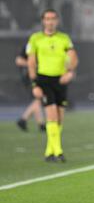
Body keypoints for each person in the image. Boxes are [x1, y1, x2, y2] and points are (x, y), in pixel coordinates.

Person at [27, 9, 78, 162]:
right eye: (47, 18)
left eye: (53, 18)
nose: (50, 21)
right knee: (52, 114)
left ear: (57, 21)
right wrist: (34, 84)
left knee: (60, 118)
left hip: (60, 81)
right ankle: (58, 151)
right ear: (43, 21)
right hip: (44, 80)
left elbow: (73, 57)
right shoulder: (35, 38)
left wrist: (70, 72)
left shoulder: (64, 38)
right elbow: (31, 62)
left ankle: (49, 152)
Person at [15, 45, 46, 132]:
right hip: (30, 77)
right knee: (38, 98)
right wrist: (32, 64)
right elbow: (18, 61)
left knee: (37, 100)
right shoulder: (29, 46)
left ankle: (41, 124)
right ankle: (23, 119)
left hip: (37, 76)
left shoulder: (42, 46)